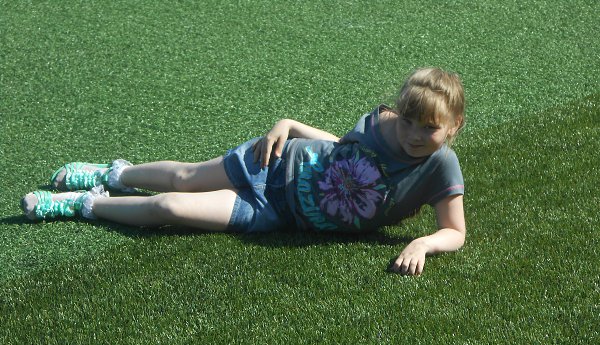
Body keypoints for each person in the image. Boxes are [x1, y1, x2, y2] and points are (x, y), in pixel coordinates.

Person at [21, 67, 466, 276]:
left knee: (170, 207)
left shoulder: (440, 165)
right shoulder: (384, 123)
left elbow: (455, 231)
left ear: (453, 126)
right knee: (183, 179)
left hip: (276, 212)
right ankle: (116, 174)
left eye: (428, 128)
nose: (413, 135)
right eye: (408, 122)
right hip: (274, 161)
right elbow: (341, 149)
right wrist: (288, 125)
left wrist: (423, 243)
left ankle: (83, 205)